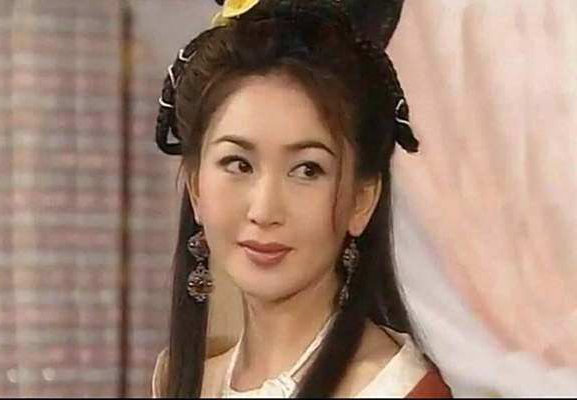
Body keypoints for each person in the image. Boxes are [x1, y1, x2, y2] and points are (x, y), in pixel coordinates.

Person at [151, 0, 451, 397]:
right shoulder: (184, 379)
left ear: (361, 200)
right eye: (238, 164)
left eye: (307, 170)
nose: (264, 211)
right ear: (196, 187)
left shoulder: (396, 390)